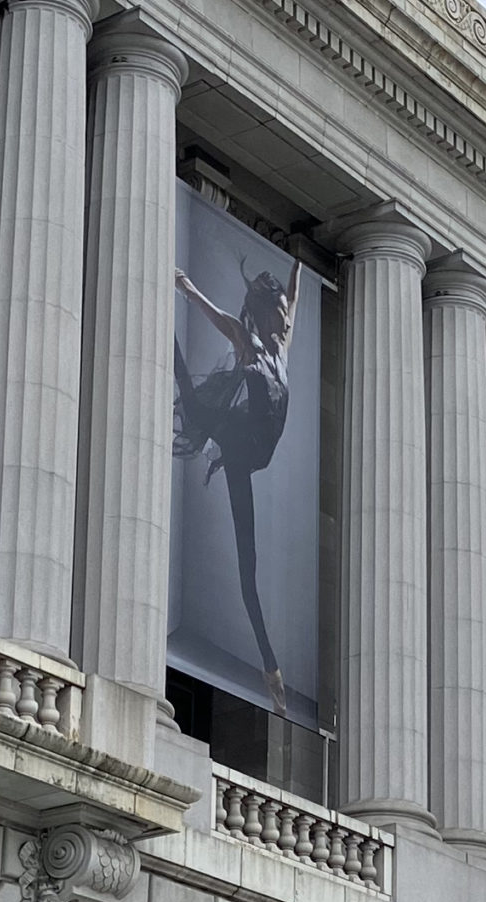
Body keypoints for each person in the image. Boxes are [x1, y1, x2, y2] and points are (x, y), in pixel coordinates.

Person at [174, 253, 306, 715]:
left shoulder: (281, 348)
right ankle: (271, 670)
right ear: (268, 311)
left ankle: (271, 667)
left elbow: (297, 292)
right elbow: (218, 316)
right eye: (282, 310)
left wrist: (298, 263)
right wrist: (188, 290)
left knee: (250, 564)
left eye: (288, 311)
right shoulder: (247, 340)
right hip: (238, 447)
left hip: (257, 448)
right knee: (247, 566)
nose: (287, 318)